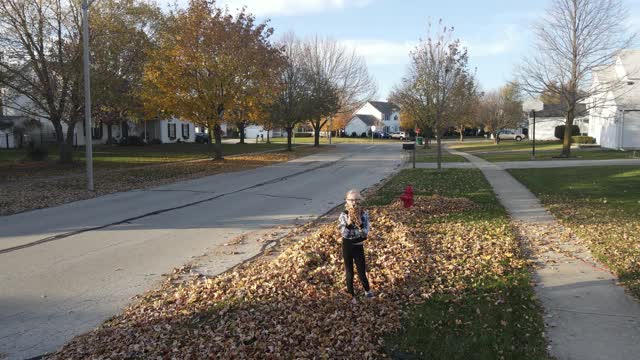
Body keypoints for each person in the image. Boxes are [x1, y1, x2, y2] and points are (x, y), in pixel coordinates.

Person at [338, 189, 373, 303]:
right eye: (351, 200)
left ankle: (367, 291)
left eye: (356, 200)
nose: (354, 202)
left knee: (361, 270)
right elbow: (344, 233)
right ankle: (351, 295)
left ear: (360, 200)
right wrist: (349, 223)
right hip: (347, 245)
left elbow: (365, 233)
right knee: (349, 271)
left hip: (358, 244)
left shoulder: (364, 213)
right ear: (346, 201)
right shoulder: (343, 214)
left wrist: (360, 223)